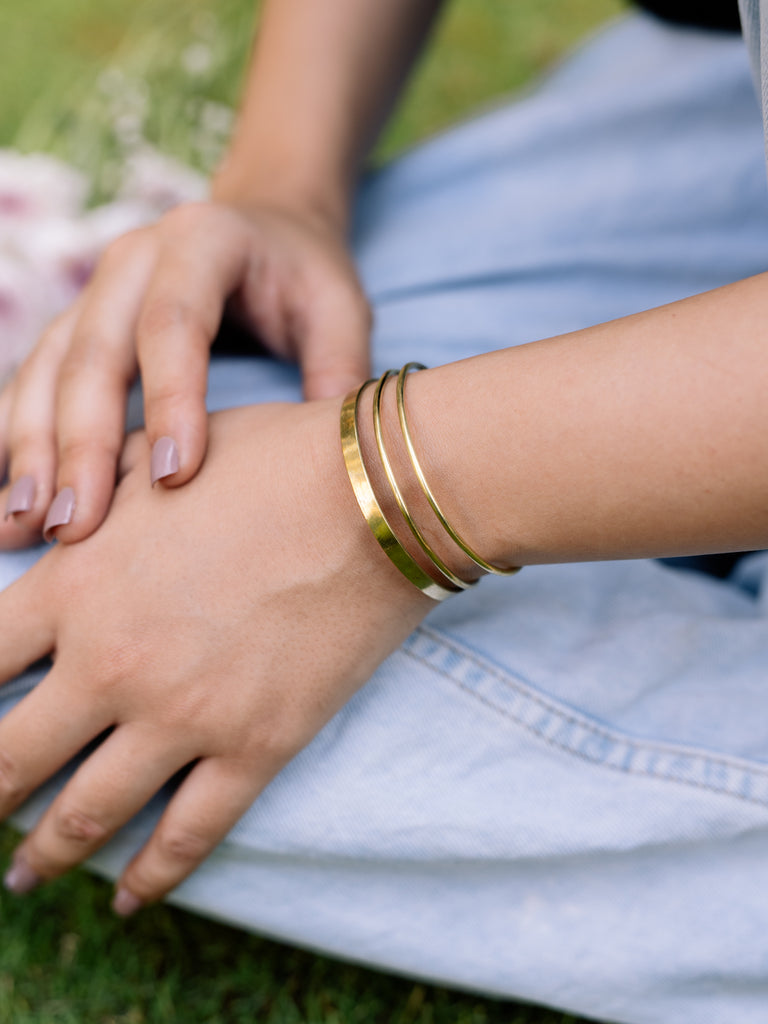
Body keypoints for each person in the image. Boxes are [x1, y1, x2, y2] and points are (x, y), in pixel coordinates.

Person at [1, 1, 768, 1021]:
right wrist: (282, 188)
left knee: (81, 643)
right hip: (727, 105)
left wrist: (373, 498)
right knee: (92, 528)